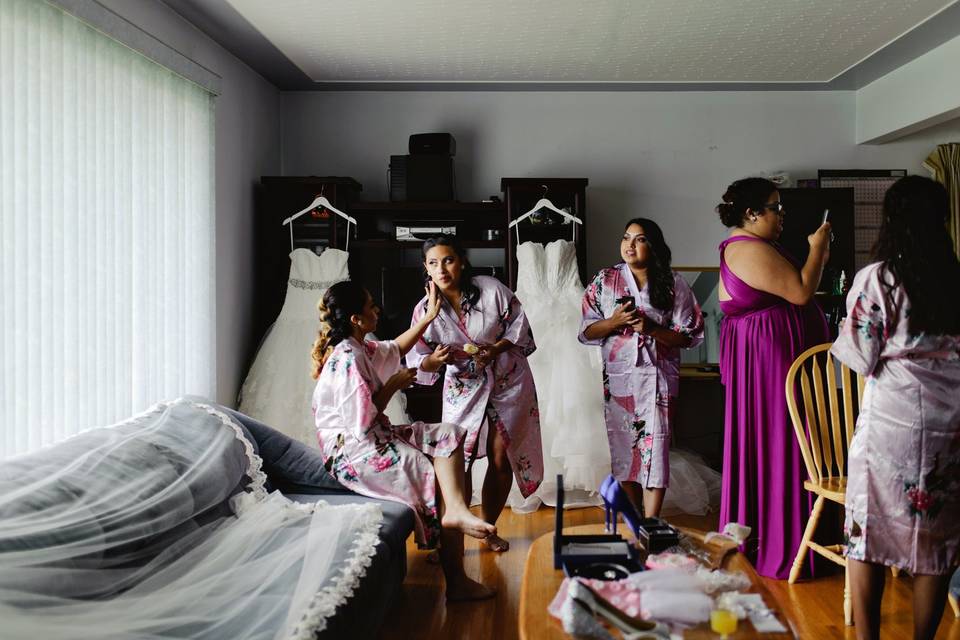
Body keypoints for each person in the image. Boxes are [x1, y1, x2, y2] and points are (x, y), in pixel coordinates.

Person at [831, 175, 960, 640]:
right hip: (951, 426)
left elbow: (859, 354)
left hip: (892, 425)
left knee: (866, 536)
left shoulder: (880, 277)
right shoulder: (956, 278)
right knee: (938, 539)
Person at [311, 280, 496, 601]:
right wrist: (394, 384)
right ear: (356, 318)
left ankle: (455, 509)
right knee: (425, 469)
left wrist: (428, 317)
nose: (377, 309)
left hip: (372, 435)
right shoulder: (346, 359)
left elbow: (394, 348)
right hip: (353, 452)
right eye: (370, 305)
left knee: (449, 433)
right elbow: (362, 423)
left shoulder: (361, 346)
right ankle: (457, 582)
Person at [716, 177, 831, 579]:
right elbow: (800, 293)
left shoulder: (752, 246)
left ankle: (787, 535)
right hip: (770, 365)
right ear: (752, 213)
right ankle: (782, 541)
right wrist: (817, 251)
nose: (783, 216)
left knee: (782, 442)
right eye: (776, 208)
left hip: (768, 360)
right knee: (782, 441)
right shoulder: (747, 248)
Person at [407, 236, 543, 553]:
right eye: (433, 263)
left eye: (448, 260)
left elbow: (519, 326)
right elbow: (417, 359)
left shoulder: (491, 289)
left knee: (500, 457)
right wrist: (434, 361)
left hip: (509, 379)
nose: (441, 269)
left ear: (462, 261)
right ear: (426, 268)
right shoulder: (425, 310)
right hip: (462, 387)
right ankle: (454, 538)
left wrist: (494, 349)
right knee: (459, 461)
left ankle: (487, 528)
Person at [579, 218, 705, 519]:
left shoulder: (674, 284)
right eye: (626, 238)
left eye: (640, 239)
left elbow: (689, 336)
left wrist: (651, 328)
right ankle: (635, 518)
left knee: (655, 449)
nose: (630, 245)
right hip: (619, 381)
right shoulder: (605, 280)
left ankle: (652, 521)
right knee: (624, 450)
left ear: (654, 246)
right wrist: (613, 322)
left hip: (658, 378)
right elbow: (585, 332)